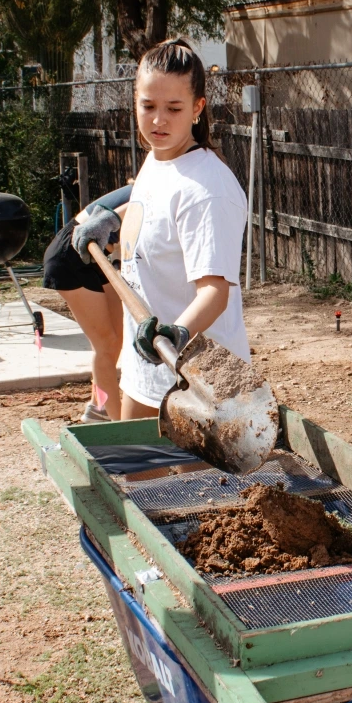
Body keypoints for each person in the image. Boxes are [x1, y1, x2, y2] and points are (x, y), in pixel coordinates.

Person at [73, 40, 250, 419]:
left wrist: (176, 335)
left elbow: (214, 292)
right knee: (138, 478)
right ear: (134, 101)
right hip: (147, 366)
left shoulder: (207, 190)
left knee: (193, 482)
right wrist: (113, 217)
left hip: (199, 376)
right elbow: (151, 205)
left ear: (198, 108)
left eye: (173, 108)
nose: (158, 121)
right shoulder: (159, 158)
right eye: (148, 106)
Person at [42, 182, 129, 421]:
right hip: (73, 252)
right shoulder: (154, 187)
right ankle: (117, 423)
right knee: (105, 343)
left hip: (96, 254)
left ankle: (98, 406)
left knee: (118, 337)